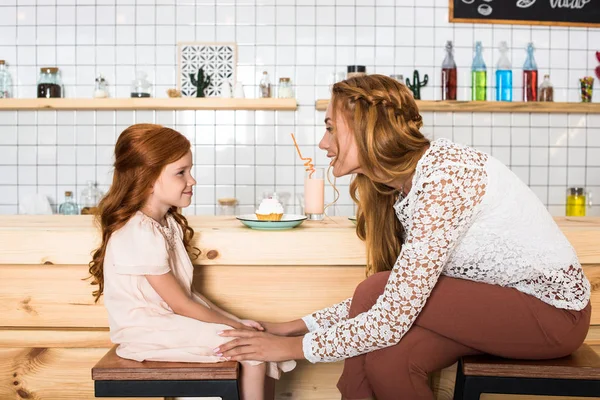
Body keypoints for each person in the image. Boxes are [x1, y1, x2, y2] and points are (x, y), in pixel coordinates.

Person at [216, 75, 591, 400]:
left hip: (551, 315)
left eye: (330, 127)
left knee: (374, 292)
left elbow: (389, 308)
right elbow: (398, 297)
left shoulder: (446, 176)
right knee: (390, 360)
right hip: (492, 311)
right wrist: (295, 326)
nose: (322, 143)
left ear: (366, 127)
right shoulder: (403, 186)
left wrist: (289, 346)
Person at [87, 124, 295, 400]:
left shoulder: (167, 224)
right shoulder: (138, 231)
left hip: (168, 324)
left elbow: (188, 296)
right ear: (148, 178)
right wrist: (237, 328)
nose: (192, 180)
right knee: (251, 349)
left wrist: (237, 322)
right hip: (146, 332)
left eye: (190, 170)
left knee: (258, 344)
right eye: (181, 172)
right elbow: (181, 304)